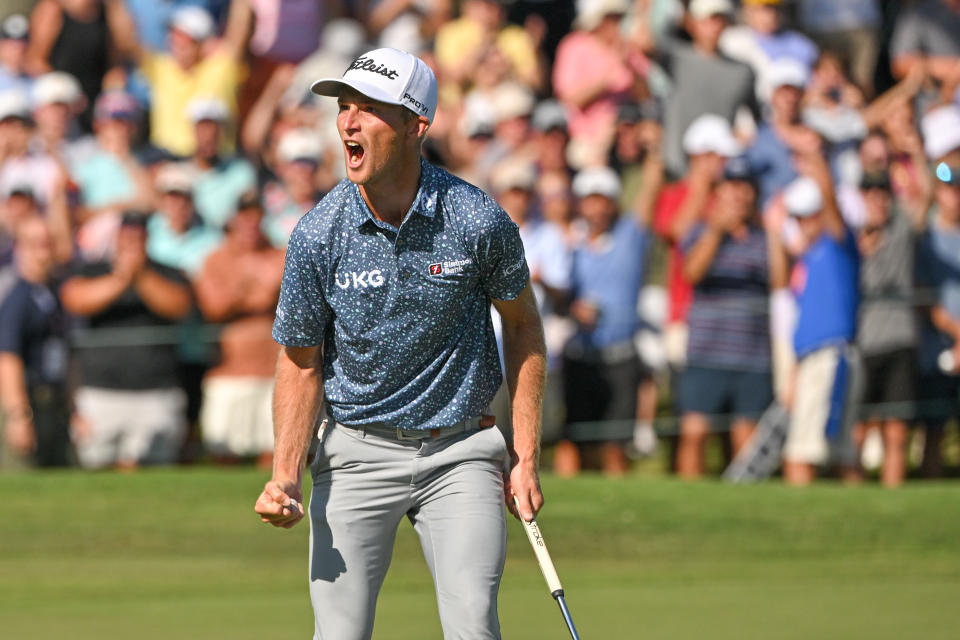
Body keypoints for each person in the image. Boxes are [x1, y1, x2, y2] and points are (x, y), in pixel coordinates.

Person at [253, 48, 546, 640]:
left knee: (473, 626)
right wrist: (285, 474)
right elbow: (301, 362)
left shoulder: (476, 220)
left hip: (460, 452)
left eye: (370, 110)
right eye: (344, 108)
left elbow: (522, 326)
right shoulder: (318, 232)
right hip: (356, 453)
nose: (348, 123)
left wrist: (526, 455)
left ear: (418, 126)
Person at [677, 157, 786, 478]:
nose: (739, 195)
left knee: (747, 443)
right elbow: (692, 272)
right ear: (720, 192)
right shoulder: (700, 230)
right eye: (732, 187)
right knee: (694, 434)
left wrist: (774, 229)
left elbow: (780, 281)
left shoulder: (762, 237)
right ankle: (688, 506)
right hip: (706, 352)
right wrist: (715, 230)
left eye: (745, 188)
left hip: (752, 357)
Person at [60, 211, 193, 469]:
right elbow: (75, 300)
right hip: (101, 391)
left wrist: (140, 275)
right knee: (97, 467)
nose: (131, 243)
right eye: (127, 236)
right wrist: (121, 278)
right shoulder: (92, 269)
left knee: (154, 469)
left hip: (156, 390)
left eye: (138, 236)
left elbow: (179, 306)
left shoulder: (169, 272)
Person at [555, 166, 651, 476]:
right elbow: (558, 295)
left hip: (620, 356)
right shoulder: (568, 241)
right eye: (590, 200)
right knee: (575, 440)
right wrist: (573, 307)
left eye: (603, 199)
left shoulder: (630, 236)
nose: (597, 207)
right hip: (580, 356)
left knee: (615, 444)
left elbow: (650, 191)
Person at [780, 156, 861, 486]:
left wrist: (821, 169)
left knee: (802, 453)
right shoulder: (806, 258)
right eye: (798, 219)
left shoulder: (838, 245)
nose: (805, 224)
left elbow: (835, 215)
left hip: (831, 357)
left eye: (810, 217)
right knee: (837, 453)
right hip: (814, 360)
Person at [194, 194, 284, 466]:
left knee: (275, 456)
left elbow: (283, 297)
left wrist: (243, 290)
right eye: (243, 218)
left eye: (255, 218)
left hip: (275, 370)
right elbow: (214, 306)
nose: (249, 225)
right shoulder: (215, 260)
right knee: (223, 455)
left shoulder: (281, 254)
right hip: (229, 373)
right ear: (233, 221)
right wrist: (253, 287)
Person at [0, 216, 70, 468]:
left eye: (49, 243)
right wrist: (17, 416)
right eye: (38, 244)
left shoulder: (50, 292)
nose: (46, 250)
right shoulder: (17, 299)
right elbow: (7, 357)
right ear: (21, 248)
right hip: (28, 399)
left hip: (50, 399)